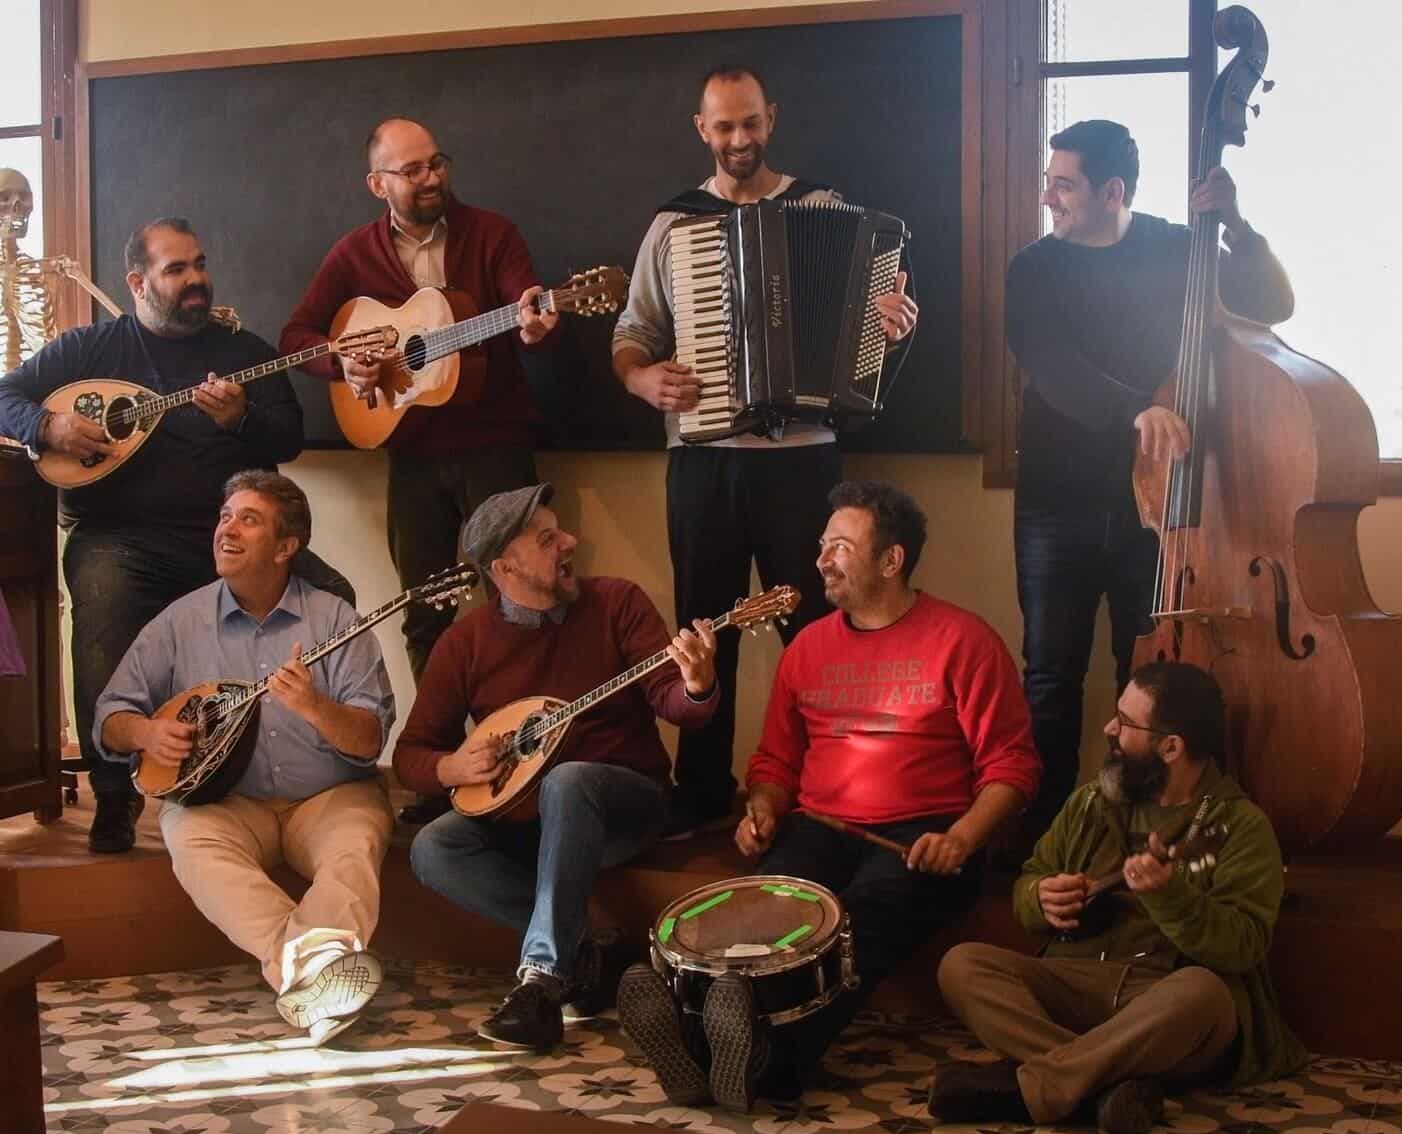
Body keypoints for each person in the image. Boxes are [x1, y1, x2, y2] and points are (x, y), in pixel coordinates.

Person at [618, 480, 1040, 1112]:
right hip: (817, 826)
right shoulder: (809, 647)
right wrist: (763, 808)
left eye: (841, 546)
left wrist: (961, 838)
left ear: (891, 560)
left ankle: (751, 1059)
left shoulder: (964, 640)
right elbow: (776, 762)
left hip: (922, 836)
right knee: (759, 915)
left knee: (855, 923)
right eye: (822, 545)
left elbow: (1013, 765)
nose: (821, 560)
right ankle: (717, 1047)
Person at [612, 65, 919, 840]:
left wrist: (890, 330)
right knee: (702, 628)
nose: (739, 138)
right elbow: (632, 332)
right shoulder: (674, 224)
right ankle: (701, 790)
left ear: (771, 118)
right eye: (724, 125)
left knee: (820, 630)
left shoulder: (827, 210)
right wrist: (643, 379)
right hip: (705, 460)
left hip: (804, 459)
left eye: (751, 122)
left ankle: (831, 790)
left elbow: (863, 354)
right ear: (702, 129)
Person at [0, 217, 354, 854]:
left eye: (200, 264)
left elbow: (288, 439)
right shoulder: (89, 350)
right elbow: (5, 394)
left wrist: (242, 418)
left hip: (229, 539)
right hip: (120, 539)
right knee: (102, 605)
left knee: (333, 595)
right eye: (177, 269)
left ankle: (304, 768)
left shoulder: (245, 351)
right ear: (138, 283)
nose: (197, 279)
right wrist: (48, 427)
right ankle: (115, 793)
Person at [1007, 119, 1295, 857]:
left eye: (1063, 185)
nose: (1048, 197)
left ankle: (1142, 840)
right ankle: (1049, 845)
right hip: (1055, 504)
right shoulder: (1033, 269)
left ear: (1113, 192)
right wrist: (1135, 409)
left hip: (1164, 508)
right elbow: (1052, 367)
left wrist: (1236, 226)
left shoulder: (1177, 248)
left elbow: (1272, 303)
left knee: (1146, 681)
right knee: (1051, 678)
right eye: (1049, 182)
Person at [393, 483, 721, 1050]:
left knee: (568, 779)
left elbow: (675, 702)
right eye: (547, 540)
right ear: (505, 568)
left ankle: (542, 981)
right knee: (434, 847)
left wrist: (697, 683)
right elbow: (410, 755)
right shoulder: (464, 643)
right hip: (525, 816)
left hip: (623, 806)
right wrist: (451, 768)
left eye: (560, 529)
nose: (570, 541)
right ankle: (590, 948)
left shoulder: (617, 602)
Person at [927, 661, 1305, 1134]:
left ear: (1171, 747)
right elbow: (1030, 880)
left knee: (1204, 993)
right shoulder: (1090, 802)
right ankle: (1107, 1085)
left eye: (1125, 722)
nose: (1109, 729)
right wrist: (1041, 898)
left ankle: (1041, 1084)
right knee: (962, 965)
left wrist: (1170, 896)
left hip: (1163, 998)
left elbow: (1244, 945)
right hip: (1077, 980)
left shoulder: (1243, 826)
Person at [94, 471, 396, 1043]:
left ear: (286, 547)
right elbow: (111, 717)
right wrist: (147, 733)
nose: (227, 530)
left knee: (354, 848)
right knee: (191, 841)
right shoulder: (180, 621)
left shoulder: (335, 619)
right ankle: (314, 972)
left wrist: (315, 707)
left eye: (248, 520)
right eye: (225, 516)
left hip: (329, 796)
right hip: (225, 801)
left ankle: (303, 977)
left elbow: (369, 740)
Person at [280, 116, 558, 683]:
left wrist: (535, 322)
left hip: (495, 447)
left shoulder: (493, 234)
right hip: (411, 455)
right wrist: (342, 362)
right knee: (425, 614)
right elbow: (295, 336)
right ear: (377, 184)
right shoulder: (354, 253)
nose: (432, 178)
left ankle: (526, 728)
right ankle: (437, 735)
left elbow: (525, 301)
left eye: (437, 163)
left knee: (524, 602)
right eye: (413, 171)